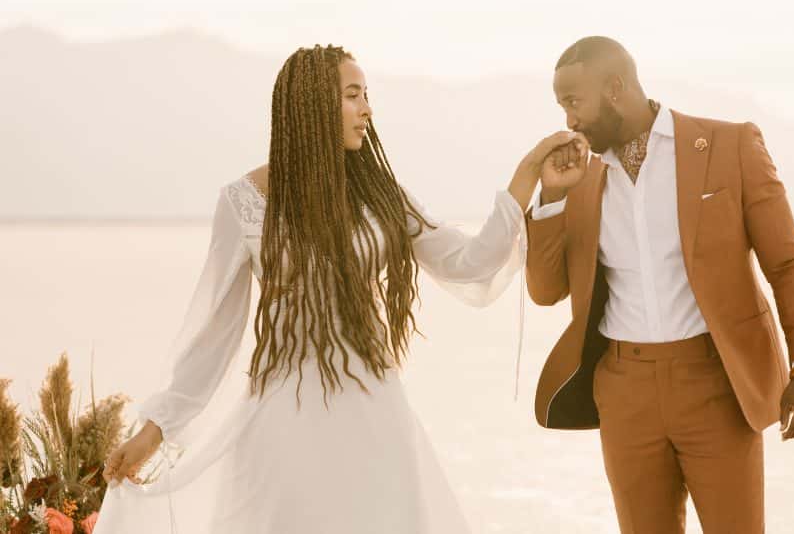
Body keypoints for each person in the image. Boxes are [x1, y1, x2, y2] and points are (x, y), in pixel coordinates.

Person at [95, 44, 583, 533]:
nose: (367, 108)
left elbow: (468, 262)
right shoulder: (243, 205)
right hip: (283, 419)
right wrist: (153, 433)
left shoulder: (380, 194)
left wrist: (528, 177)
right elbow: (213, 338)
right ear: (311, 105)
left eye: (366, 94)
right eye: (353, 95)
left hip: (374, 409)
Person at [525, 36, 794, 534]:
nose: (569, 122)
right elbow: (544, 289)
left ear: (616, 88)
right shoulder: (581, 178)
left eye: (574, 103)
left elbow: (788, 265)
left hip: (716, 385)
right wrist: (552, 196)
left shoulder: (730, 146)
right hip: (624, 393)